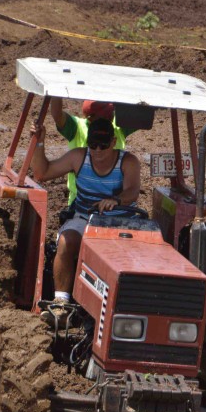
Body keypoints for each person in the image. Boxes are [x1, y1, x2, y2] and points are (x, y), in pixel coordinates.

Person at [29, 115, 141, 307]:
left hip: (119, 221)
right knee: (66, 241)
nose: (97, 150)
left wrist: (116, 200)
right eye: (93, 144)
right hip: (84, 218)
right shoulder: (79, 157)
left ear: (113, 142)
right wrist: (39, 142)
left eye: (103, 144)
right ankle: (61, 301)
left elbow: (132, 191)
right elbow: (42, 173)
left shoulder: (128, 161)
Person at [49, 98, 136, 205]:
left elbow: (142, 116)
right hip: (81, 202)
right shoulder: (76, 127)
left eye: (111, 113)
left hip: (115, 205)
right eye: (107, 115)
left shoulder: (118, 127)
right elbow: (57, 114)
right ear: (90, 118)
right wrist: (56, 89)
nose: (111, 117)